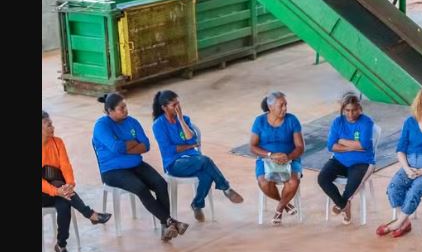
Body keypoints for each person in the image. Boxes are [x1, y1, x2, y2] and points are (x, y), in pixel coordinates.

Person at [92, 93, 188, 242]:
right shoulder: (101, 126)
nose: (125, 110)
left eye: (125, 106)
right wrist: (133, 143)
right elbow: (117, 147)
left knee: (161, 184)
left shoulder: (132, 122)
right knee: (140, 188)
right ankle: (170, 221)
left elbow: (146, 145)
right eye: (121, 108)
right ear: (109, 111)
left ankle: (166, 227)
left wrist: (126, 146)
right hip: (112, 170)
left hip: (136, 164)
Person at [151, 90, 244, 223]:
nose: (178, 107)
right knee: (205, 161)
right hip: (174, 163)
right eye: (174, 105)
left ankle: (197, 204)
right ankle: (226, 188)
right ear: (164, 108)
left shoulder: (185, 119)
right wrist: (189, 146)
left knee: (207, 174)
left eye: (178, 103)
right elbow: (169, 149)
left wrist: (181, 119)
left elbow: (191, 138)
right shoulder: (158, 125)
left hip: (193, 159)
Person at [377, 86, 422, 238]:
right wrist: (407, 169)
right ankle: (404, 221)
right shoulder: (410, 122)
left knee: (415, 189)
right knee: (393, 187)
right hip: (409, 166)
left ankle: (397, 223)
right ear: (420, 103)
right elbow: (400, 150)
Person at [42, 110, 111, 252]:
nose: (52, 127)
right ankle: (90, 214)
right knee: (58, 186)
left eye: (51, 124)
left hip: (58, 188)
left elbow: (65, 166)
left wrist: (70, 184)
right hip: (44, 192)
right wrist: (57, 191)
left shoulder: (57, 142)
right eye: (48, 125)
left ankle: (61, 245)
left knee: (65, 205)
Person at [317, 93, 375, 225]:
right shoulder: (337, 122)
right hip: (339, 160)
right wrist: (354, 147)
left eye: (354, 110)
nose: (350, 114)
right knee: (322, 178)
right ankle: (344, 205)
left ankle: (341, 203)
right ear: (343, 109)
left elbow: (364, 145)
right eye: (347, 110)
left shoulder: (367, 122)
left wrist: (342, 141)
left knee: (352, 184)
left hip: (362, 162)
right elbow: (331, 146)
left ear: (359, 108)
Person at [250, 91, 304, 225]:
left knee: (293, 181)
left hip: (290, 158)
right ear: (270, 107)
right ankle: (286, 204)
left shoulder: (292, 120)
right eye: (281, 105)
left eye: (286, 105)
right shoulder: (260, 121)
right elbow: (252, 146)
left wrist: (289, 157)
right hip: (267, 159)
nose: (285, 108)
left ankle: (279, 209)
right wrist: (270, 155)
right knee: (264, 182)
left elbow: (300, 147)